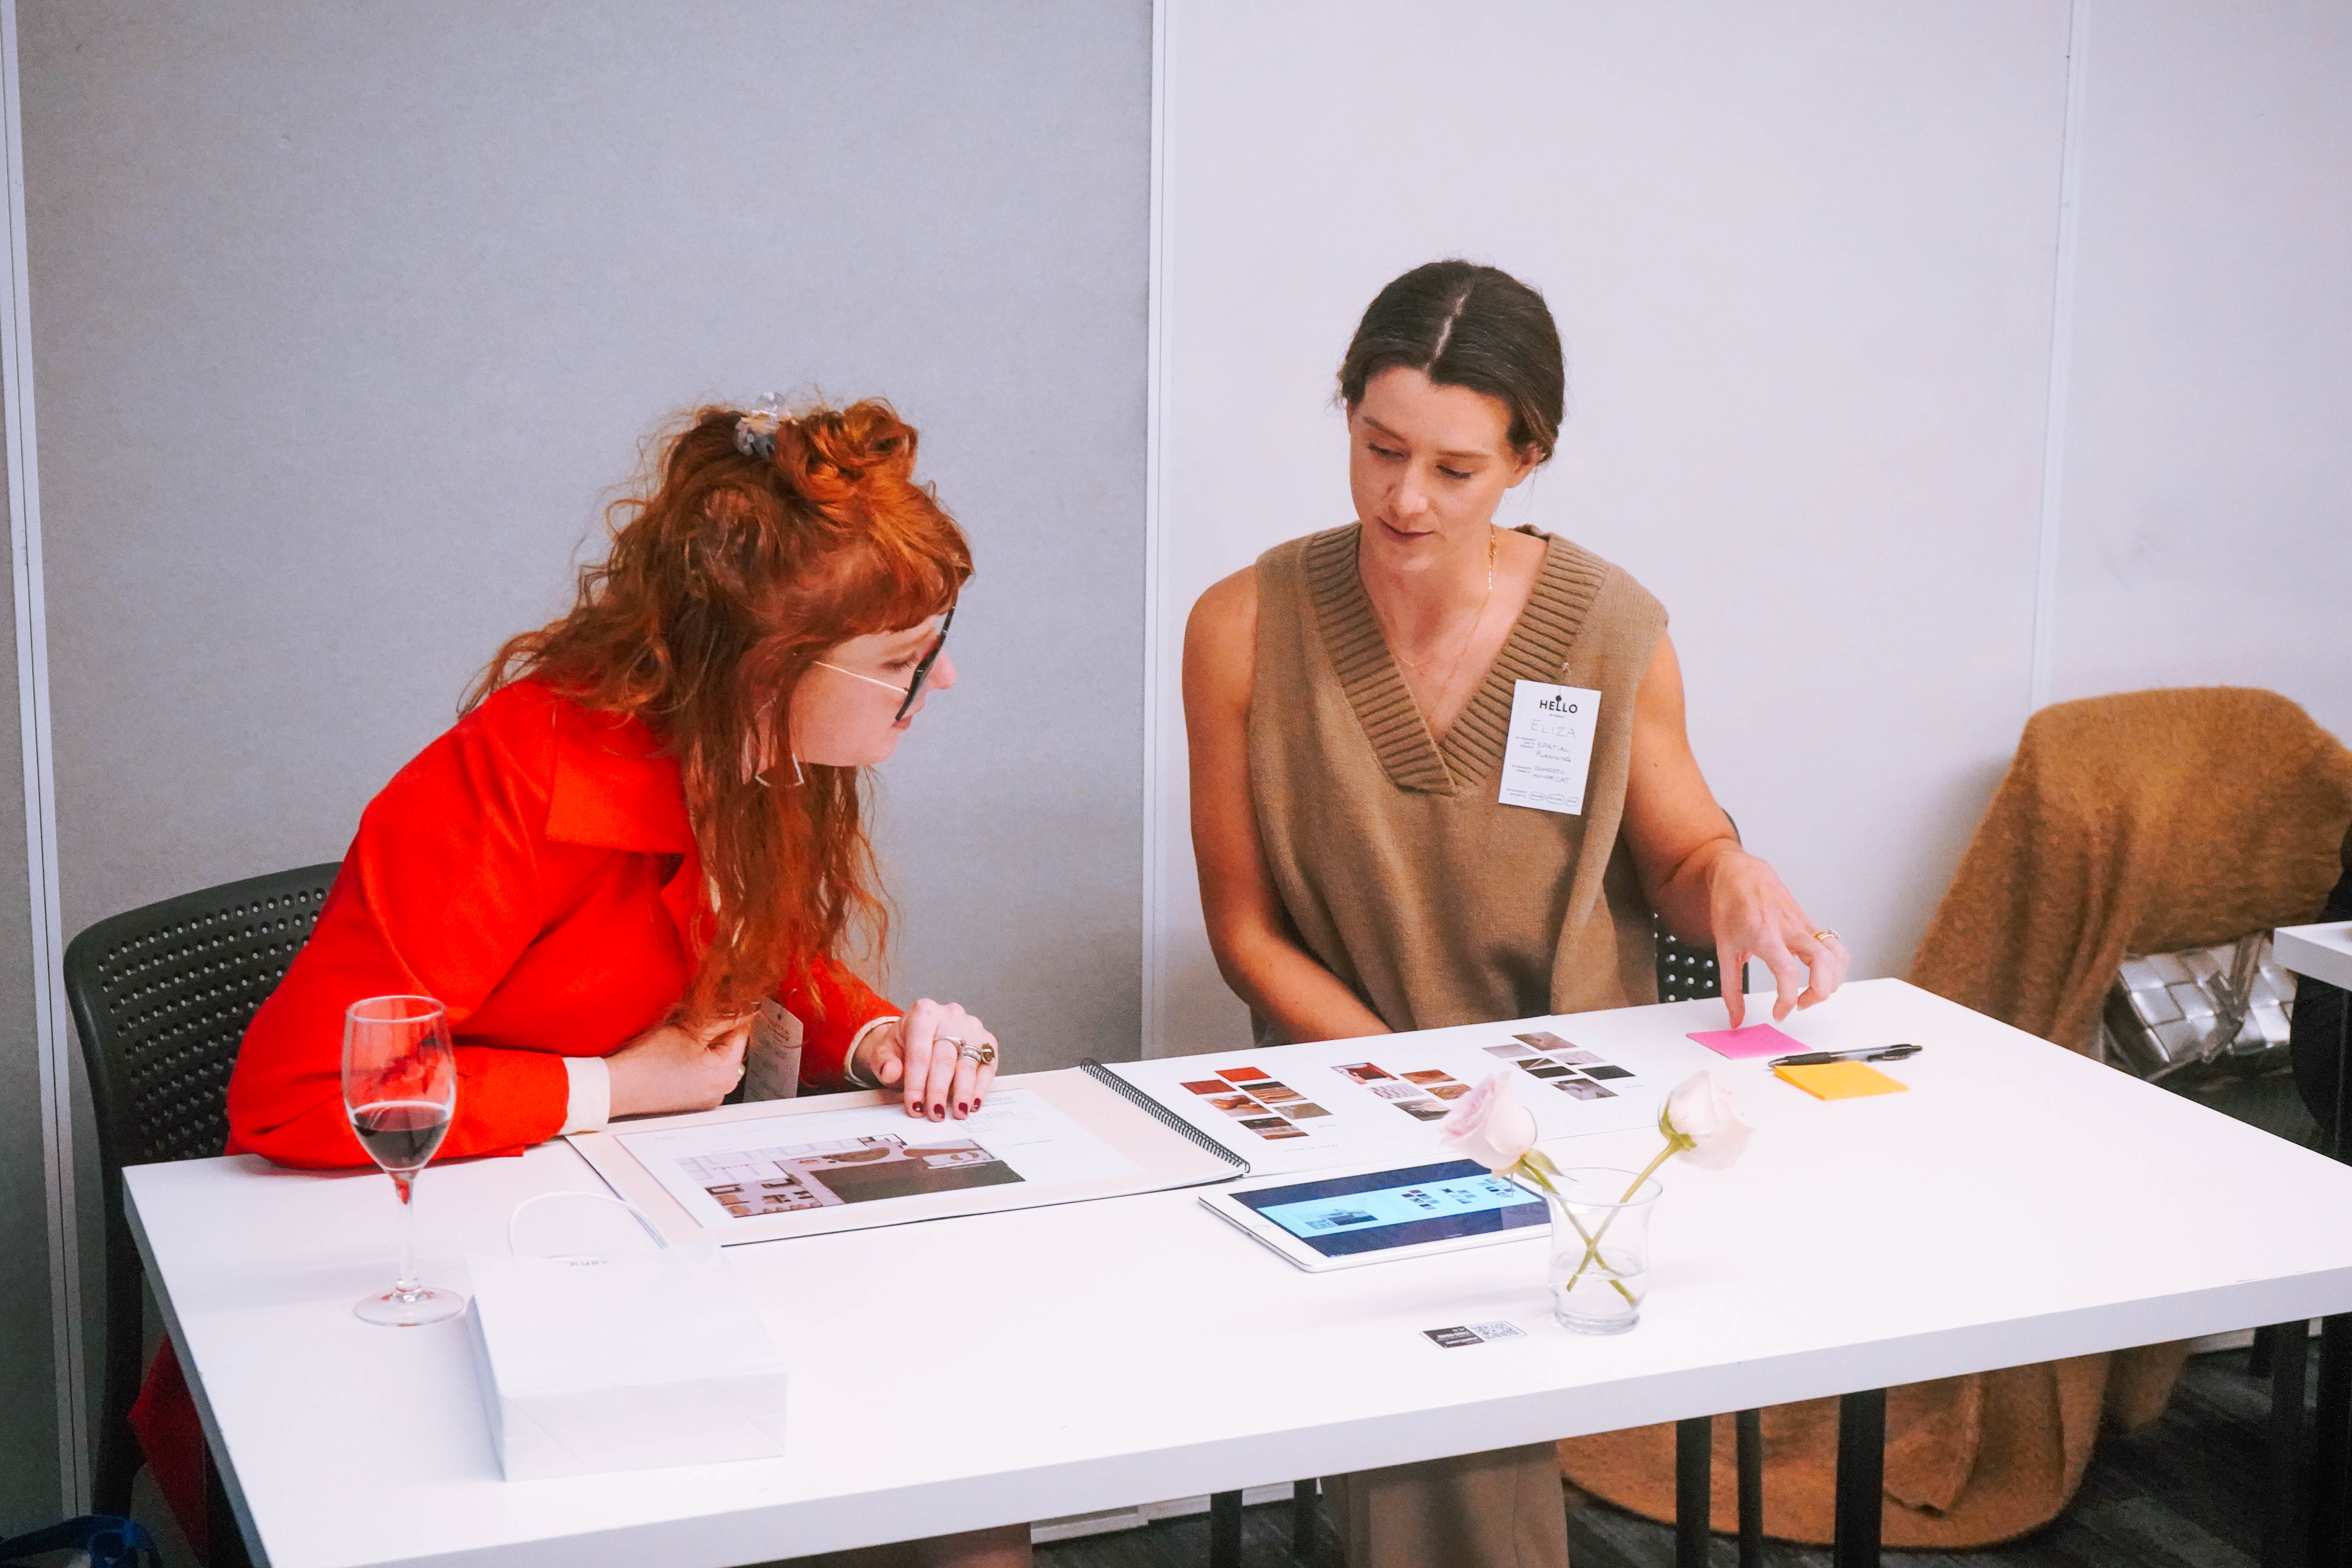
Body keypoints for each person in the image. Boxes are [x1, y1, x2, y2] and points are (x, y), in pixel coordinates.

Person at [205, 396, 1027, 1568]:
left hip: (619, 1257)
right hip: (409, 1323)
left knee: (970, 1501)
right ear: (770, 667)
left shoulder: (747, 751)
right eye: (906, 659)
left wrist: (883, 1039)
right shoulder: (503, 782)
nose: (939, 685)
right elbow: (295, 1096)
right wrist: (614, 1090)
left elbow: (758, 947)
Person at [1182, 261, 1848, 1568]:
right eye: (1378, 451)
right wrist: (1408, 1077)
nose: (1403, 499)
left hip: (1575, 1095)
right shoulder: (1245, 625)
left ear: (1531, 457)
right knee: (1439, 1363)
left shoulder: (1608, 627)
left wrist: (1736, 879)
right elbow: (1246, 933)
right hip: (1346, 1081)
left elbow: (1684, 849)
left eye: (1454, 469)